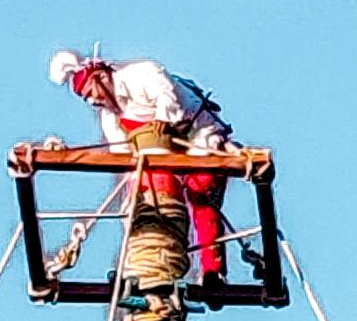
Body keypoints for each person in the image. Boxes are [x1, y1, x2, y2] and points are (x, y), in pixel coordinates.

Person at [48, 49, 237, 285]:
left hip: (198, 134)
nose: (93, 101)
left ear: (101, 77)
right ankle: (137, 263)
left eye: (90, 93)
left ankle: (212, 272)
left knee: (201, 192)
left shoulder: (141, 75)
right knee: (136, 196)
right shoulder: (110, 117)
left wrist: (160, 123)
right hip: (157, 159)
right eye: (86, 99)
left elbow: (169, 100)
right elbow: (124, 157)